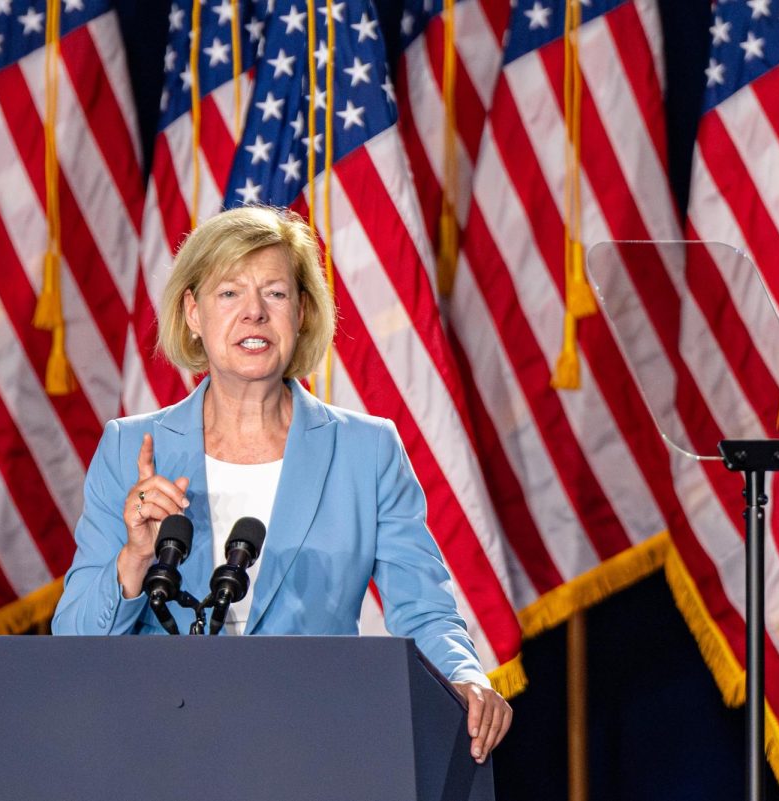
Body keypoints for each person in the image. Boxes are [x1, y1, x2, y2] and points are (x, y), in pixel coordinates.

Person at [52, 206, 511, 762]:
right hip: (162, 754)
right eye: (229, 294)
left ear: (301, 313)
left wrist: (467, 678)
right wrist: (132, 560)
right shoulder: (132, 448)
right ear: (192, 312)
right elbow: (72, 643)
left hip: (318, 749)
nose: (254, 314)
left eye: (274, 293)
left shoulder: (365, 451)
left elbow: (424, 609)